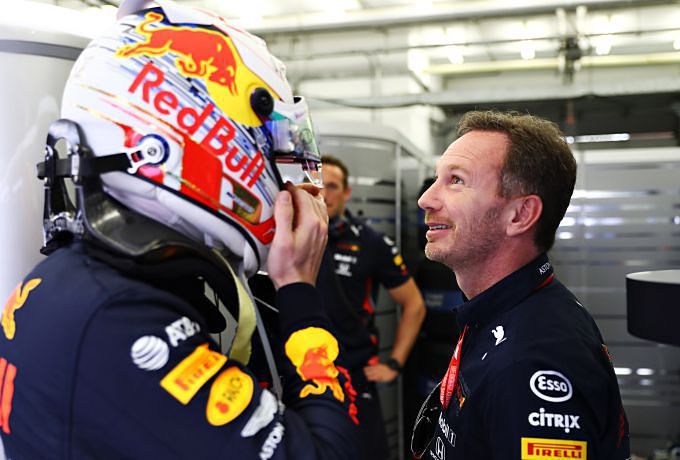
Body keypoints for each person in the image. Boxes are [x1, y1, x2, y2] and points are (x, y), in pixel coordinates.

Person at [0, 1, 359, 458]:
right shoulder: (120, 318)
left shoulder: (82, 277)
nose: (283, 170)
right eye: (268, 139)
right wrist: (299, 291)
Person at [411, 110, 630, 459]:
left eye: (456, 181)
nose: (426, 199)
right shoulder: (502, 313)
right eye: (438, 178)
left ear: (520, 214)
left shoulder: (534, 359)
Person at [317, 155, 426, 459]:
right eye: (318, 185)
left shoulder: (371, 242)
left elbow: (414, 305)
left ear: (346, 192)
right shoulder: (291, 235)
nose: (324, 193)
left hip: (354, 374)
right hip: (299, 372)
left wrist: (394, 364)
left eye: (332, 186)